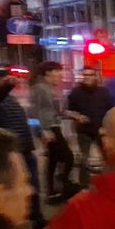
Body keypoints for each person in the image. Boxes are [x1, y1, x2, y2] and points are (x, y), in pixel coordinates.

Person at [0, 65, 45, 229]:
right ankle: (20, 223)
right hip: (12, 153)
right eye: (1, 80)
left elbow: (24, 120)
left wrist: (38, 133)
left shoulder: (11, 100)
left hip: (25, 148)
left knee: (32, 187)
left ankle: (36, 218)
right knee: (17, 188)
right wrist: (9, 83)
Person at [29, 62, 76, 202]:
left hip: (53, 125)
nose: (60, 74)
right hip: (50, 128)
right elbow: (36, 112)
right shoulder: (40, 89)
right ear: (48, 73)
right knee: (68, 156)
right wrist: (42, 131)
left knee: (54, 160)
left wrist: (73, 114)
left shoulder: (49, 88)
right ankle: (63, 185)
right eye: (57, 71)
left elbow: (55, 111)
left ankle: (51, 191)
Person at [65, 65, 113, 188]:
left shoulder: (103, 92)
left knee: (108, 158)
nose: (87, 78)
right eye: (85, 75)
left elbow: (111, 110)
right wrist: (77, 116)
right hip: (83, 131)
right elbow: (67, 110)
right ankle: (84, 185)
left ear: (95, 76)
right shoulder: (76, 92)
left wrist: (107, 128)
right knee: (83, 159)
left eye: (90, 75)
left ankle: (110, 182)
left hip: (101, 130)